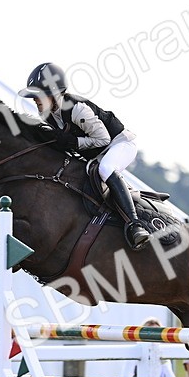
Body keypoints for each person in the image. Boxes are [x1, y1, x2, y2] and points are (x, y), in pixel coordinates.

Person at [18, 62, 150, 251]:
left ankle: (134, 224)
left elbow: (103, 139)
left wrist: (74, 142)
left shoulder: (76, 108)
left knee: (105, 168)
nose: (35, 100)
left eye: (39, 95)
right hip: (96, 154)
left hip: (120, 144)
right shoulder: (47, 115)